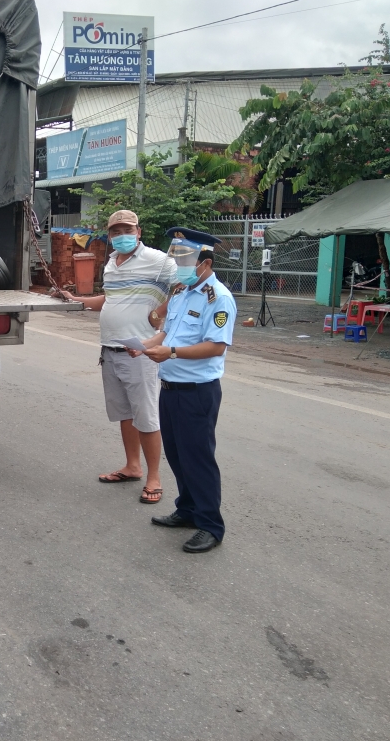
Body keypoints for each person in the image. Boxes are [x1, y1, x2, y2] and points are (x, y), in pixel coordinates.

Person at [56, 209, 177, 503]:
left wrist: (160, 311)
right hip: (110, 349)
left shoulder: (159, 261)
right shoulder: (111, 263)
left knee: (146, 417)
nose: (122, 236)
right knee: (125, 414)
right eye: (116, 231)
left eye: (128, 230)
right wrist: (78, 301)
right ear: (110, 235)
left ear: (139, 231)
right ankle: (132, 466)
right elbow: (111, 299)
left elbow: (186, 285)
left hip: (141, 352)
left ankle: (154, 477)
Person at [134, 227, 236, 553]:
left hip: (197, 391)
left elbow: (216, 346)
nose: (180, 266)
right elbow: (168, 334)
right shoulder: (179, 291)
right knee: (178, 455)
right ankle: (188, 509)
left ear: (205, 263)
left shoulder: (218, 298)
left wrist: (173, 354)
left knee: (198, 458)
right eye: (176, 259)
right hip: (170, 387)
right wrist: (143, 345)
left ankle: (210, 524)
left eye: (186, 260)